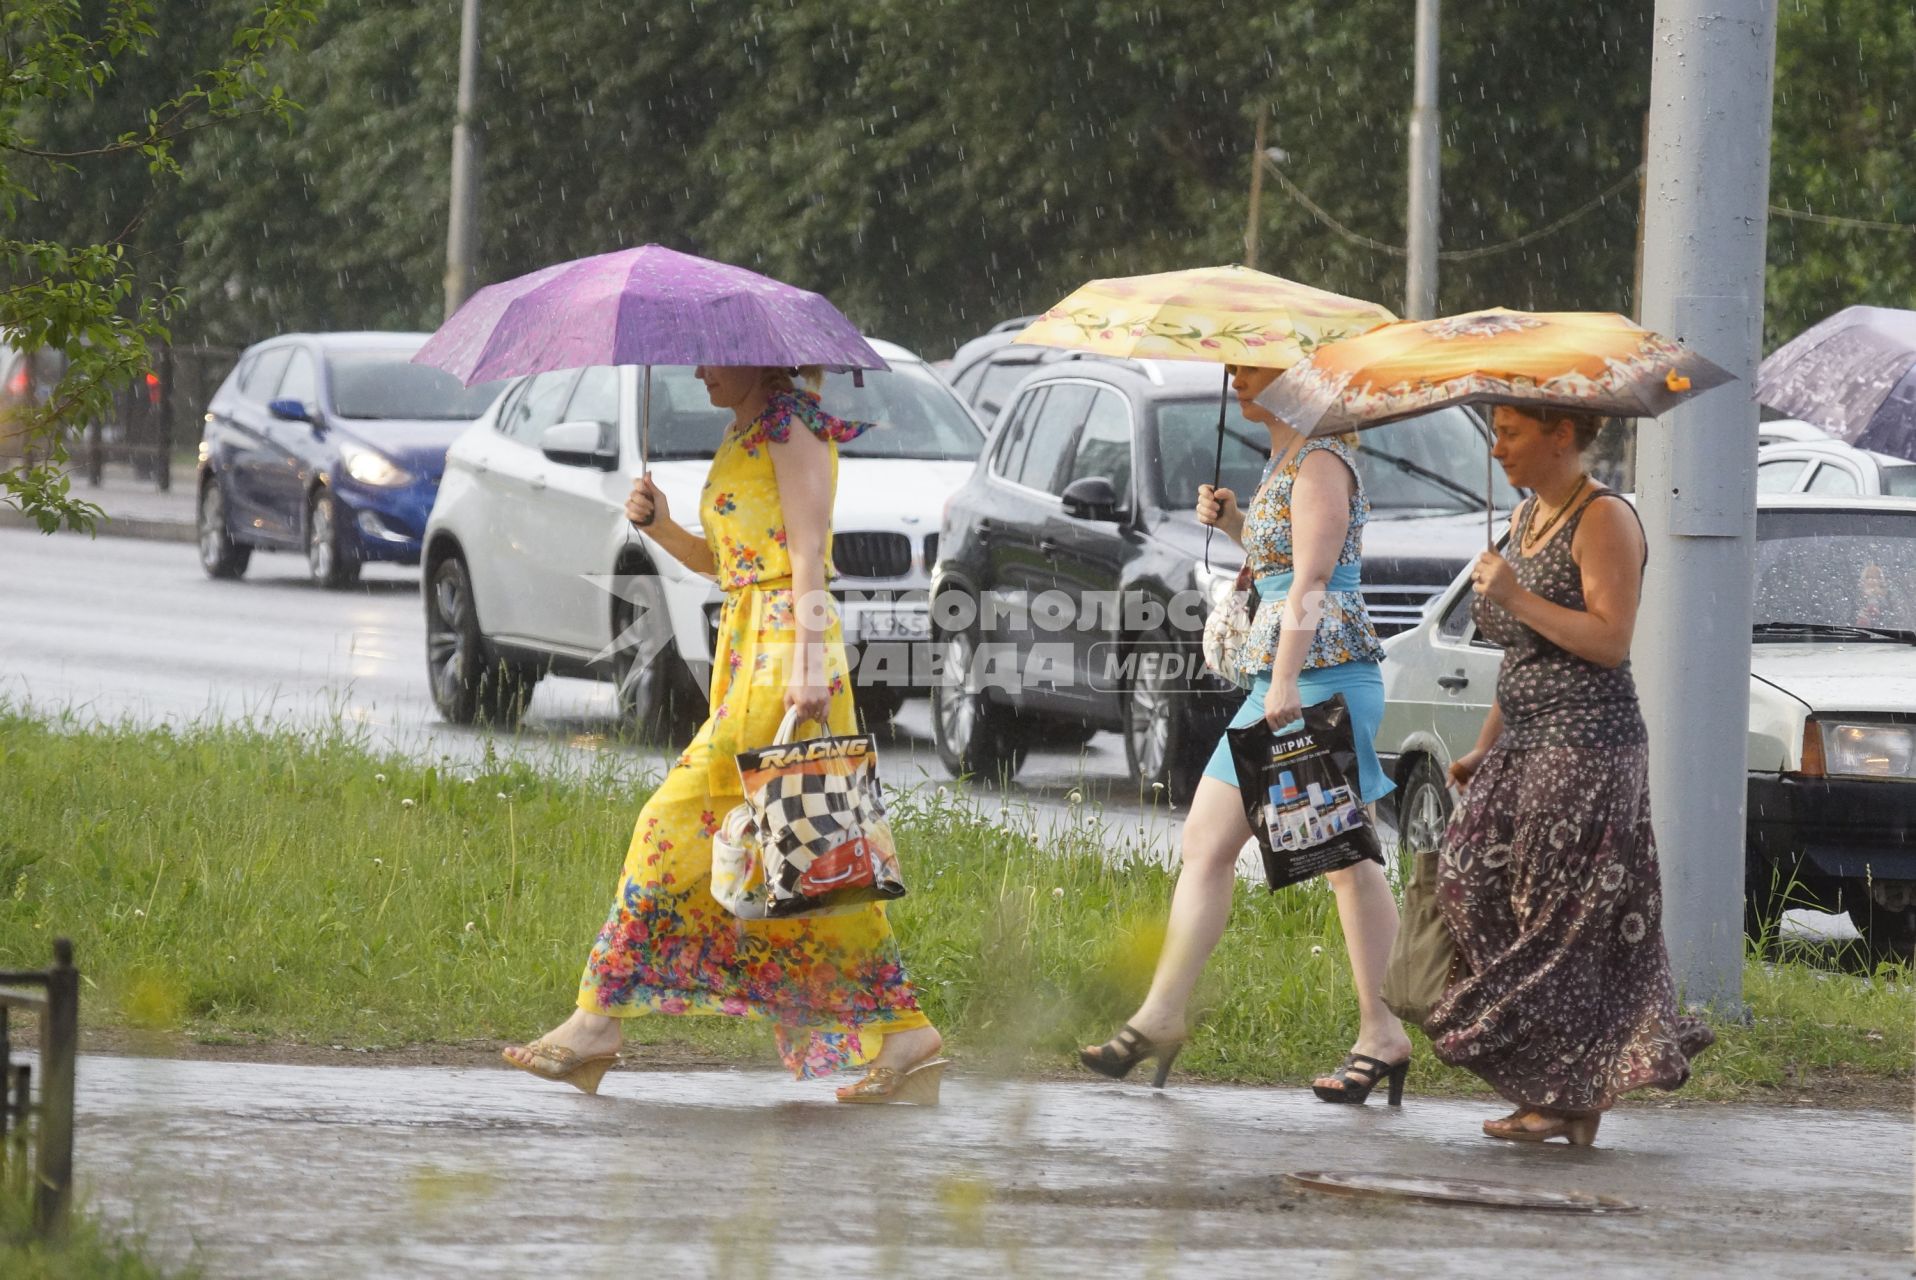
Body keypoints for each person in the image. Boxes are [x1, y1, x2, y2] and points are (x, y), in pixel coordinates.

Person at [503, 365, 946, 1104]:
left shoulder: (790, 426)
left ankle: (595, 1022)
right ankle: (907, 1036)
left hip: (786, 650)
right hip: (748, 644)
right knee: (810, 854)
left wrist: (805, 666)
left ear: (755, 358)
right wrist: (661, 526)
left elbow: (807, 555)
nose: (700, 369)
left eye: (713, 357)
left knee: (671, 821)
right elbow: (728, 564)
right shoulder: (743, 431)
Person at [1080, 363, 1411, 1103]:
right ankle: (1162, 1013)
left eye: (1252, 369)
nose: (1236, 379)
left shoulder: (1321, 461)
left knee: (1340, 858)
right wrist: (1235, 524)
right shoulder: (1285, 460)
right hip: (1280, 679)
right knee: (1207, 842)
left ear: (1300, 382)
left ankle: (1381, 1031)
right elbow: (1278, 564)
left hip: (1320, 677)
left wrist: (1288, 682)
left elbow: (1313, 581)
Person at [1430, 404, 1713, 1146]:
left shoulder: (1604, 519)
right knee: (1466, 882)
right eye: (1494, 432)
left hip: (1587, 746)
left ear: (1563, 435)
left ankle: (1561, 1096)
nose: (1496, 448)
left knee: (1556, 921)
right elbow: (1523, 655)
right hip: (1523, 742)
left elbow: (1609, 639)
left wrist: (1514, 595)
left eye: (1511, 433)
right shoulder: (1525, 519)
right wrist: (1485, 746)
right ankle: (1559, 1077)